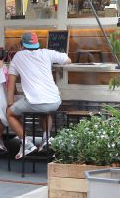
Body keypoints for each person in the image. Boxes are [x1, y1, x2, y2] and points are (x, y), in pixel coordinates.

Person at [6, 31, 71, 159]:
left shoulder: (18, 56)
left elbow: (11, 82)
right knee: (44, 111)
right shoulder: (47, 53)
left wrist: (10, 103)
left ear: (22, 45)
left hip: (34, 102)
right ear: (37, 44)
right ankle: (46, 139)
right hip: (54, 101)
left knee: (10, 113)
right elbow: (68, 60)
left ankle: (26, 144)